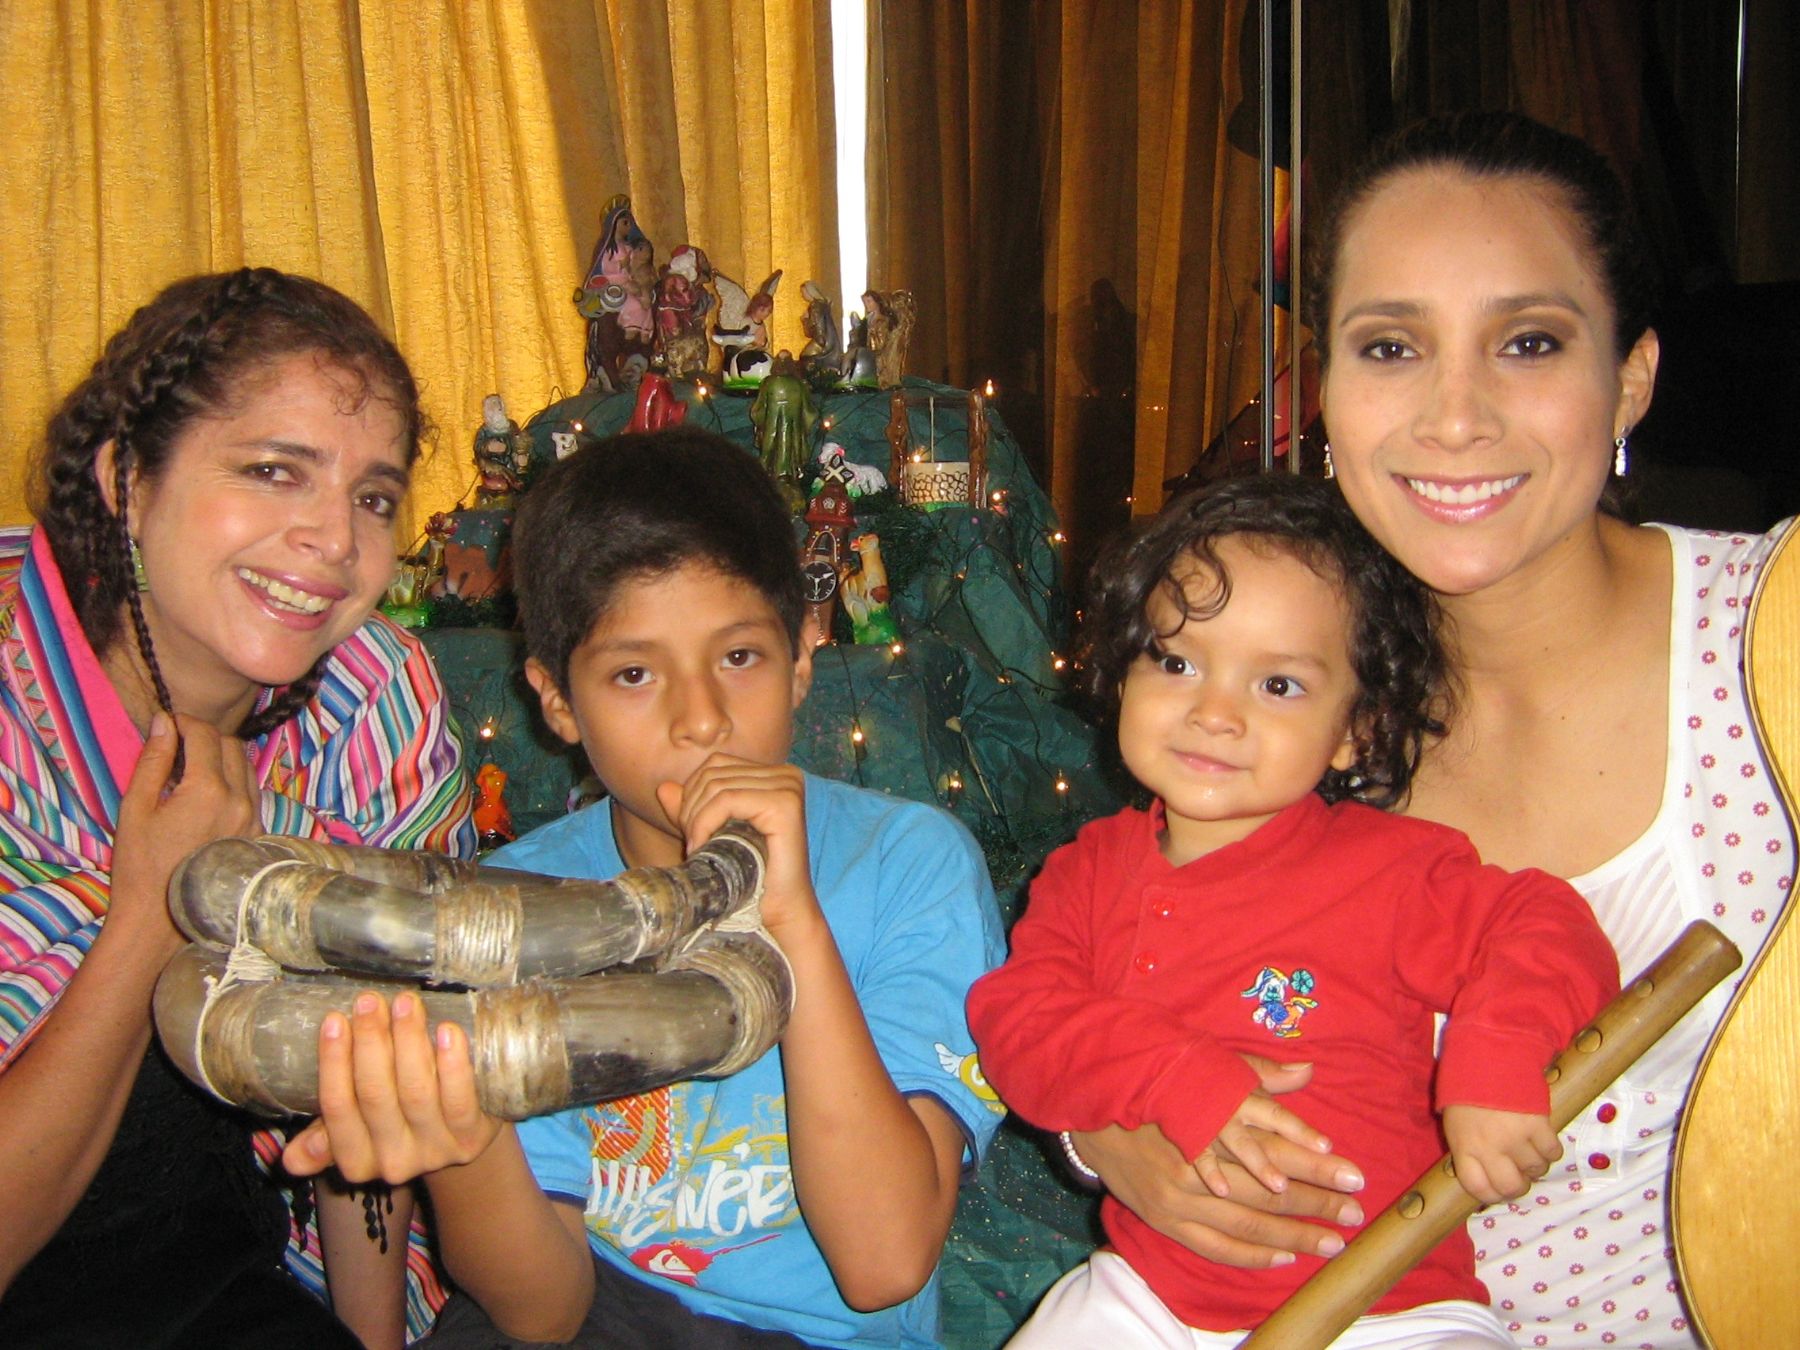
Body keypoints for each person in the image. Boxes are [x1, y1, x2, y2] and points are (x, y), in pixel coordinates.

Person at [1064, 111, 1794, 1349]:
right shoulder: (1286, 697)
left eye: (1528, 342)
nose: (1455, 417)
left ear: (1632, 376)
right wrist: (1109, 1139)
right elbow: (1124, 959)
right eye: (1392, 345)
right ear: (1327, 390)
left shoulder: (1771, 637)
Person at [282, 427, 1006, 1349]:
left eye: (739, 657)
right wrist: (464, 1142)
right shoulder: (514, 910)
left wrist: (792, 919)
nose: (700, 717)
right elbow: (542, 1315)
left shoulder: (911, 863)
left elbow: (883, 1264)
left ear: (805, 655)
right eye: (632, 673)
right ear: (555, 701)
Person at [967, 475, 1619, 1347]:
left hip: (1390, 1307)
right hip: (1150, 1299)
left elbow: (1544, 925)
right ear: (1125, 669)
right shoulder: (1086, 872)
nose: (1214, 712)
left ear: (1355, 730)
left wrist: (1497, 1059)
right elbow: (1016, 1019)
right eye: (1176, 661)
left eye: (1277, 685)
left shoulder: (1387, 871)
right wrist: (1173, 1076)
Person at [0, 267, 475, 1348]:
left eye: (373, 496)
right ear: (127, 479)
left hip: (238, 1278)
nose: (334, 541)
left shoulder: (370, 700)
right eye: (273, 471)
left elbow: (370, 1098)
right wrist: (153, 913)